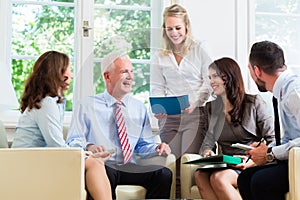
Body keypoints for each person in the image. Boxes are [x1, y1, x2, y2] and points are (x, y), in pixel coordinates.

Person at [66, 51, 173, 199]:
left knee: (163, 174)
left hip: (129, 166)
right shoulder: (86, 106)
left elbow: (143, 145)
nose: (130, 77)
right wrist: (90, 147)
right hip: (103, 165)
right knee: (106, 173)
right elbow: (73, 141)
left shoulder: (139, 107)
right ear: (107, 76)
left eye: (131, 71)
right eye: (124, 72)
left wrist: (157, 148)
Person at [12, 51, 112, 200]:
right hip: (27, 163)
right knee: (94, 164)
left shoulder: (50, 102)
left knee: (94, 163)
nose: (71, 75)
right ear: (57, 72)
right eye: (69, 70)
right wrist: (86, 155)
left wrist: (86, 155)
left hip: (35, 159)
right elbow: (56, 145)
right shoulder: (46, 103)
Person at [150, 4, 212, 197]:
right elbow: (157, 86)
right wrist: (158, 106)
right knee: (171, 163)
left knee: (187, 163)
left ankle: (186, 197)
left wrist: (195, 101)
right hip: (169, 116)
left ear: (186, 26)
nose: (174, 33)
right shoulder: (160, 55)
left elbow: (210, 81)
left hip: (194, 114)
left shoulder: (199, 48)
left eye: (177, 28)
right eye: (169, 29)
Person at [194, 57, 275, 200]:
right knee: (200, 175)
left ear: (229, 76)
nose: (211, 81)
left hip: (249, 162)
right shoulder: (211, 108)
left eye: (215, 76)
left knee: (219, 178)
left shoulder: (254, 103)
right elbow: (208, 142)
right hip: (226, 162)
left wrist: (254, 161)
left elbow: (273, 139)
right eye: (210, 77)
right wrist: (207, 152)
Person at [237, 41, 300, 200]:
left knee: (262, 181)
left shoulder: (294, 92)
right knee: (245, 178)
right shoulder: (282, 90)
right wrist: (262, 152)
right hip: (294, 159)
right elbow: (289, 138)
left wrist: (270, 154)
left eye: (249, 69)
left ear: (257, 70)